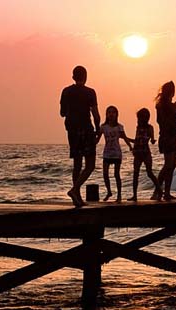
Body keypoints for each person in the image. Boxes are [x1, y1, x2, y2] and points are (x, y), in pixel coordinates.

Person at [60, 65, 100, 207]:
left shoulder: (66, 91)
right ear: (86, 77)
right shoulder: (90, 92)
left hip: (72, 130)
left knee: (77, 164)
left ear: (73, 77)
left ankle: (77, 197)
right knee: (90, 164)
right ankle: (75, 190)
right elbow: (95, 114)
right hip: (86, 129)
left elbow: (62, 113)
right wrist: (98, 130)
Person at [155, 81, 176, 201]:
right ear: (172, 92)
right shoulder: (170, 107)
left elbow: (164, 117)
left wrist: (174, 104)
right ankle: (163, 192)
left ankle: (159, 192)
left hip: (164, 137)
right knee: (169, 165)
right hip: (170, 138)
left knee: (169, 165)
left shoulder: (160, 105)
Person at [96, 106, 133, 202]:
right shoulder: (103, 127)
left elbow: (124, 137)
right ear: (106, 115)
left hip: (117, 153)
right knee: (105, 174)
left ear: (116, 114)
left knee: (117, 174)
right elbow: (97, 139)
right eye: (109, 112)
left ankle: (119, 195)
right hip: (107, 153)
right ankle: (109, 191)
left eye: (113, 112)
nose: (111, 114)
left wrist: (130, 146)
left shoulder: (119, 127)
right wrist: (91, 145)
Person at [128, 108, 160, 201]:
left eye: (139, 118)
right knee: (135, 174)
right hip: (137, 153)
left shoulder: (150, 127)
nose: (138, 120)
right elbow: (136, 141)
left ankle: (159, 190)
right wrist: (126, 138)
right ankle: (134, 196)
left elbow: (152, 140)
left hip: (145, 152)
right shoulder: (138, 128)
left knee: (149, 173)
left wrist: (153, 140)